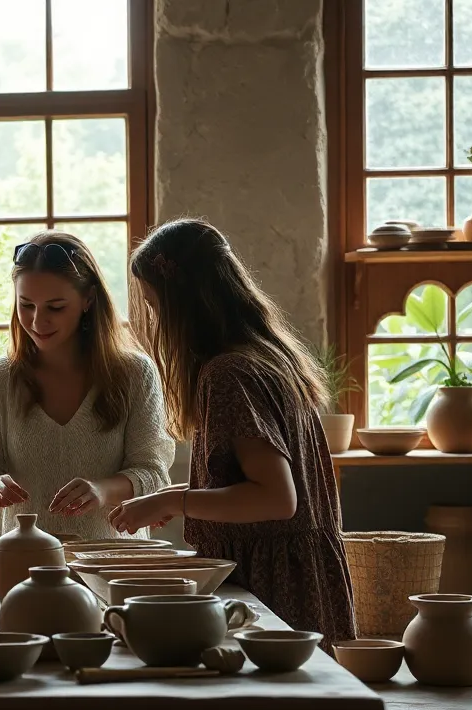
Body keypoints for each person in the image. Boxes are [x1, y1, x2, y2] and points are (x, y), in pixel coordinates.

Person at [108, 218, 356, 649]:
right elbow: (251, 483)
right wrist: (177, 498)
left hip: (272, 586)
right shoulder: (268, 356)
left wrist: (171, 501)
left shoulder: (229, 374)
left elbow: (275, 499)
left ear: (182, 303)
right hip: (302, 575)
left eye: (153, 304)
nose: (154, 319)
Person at [0, 230, 174, 541]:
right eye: (26, 305)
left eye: (55, 307)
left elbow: (153, 474)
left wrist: (101, 490)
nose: (37, 321)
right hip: (26, 560)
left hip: (116, 561)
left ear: (88, 299)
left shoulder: (135, 375)